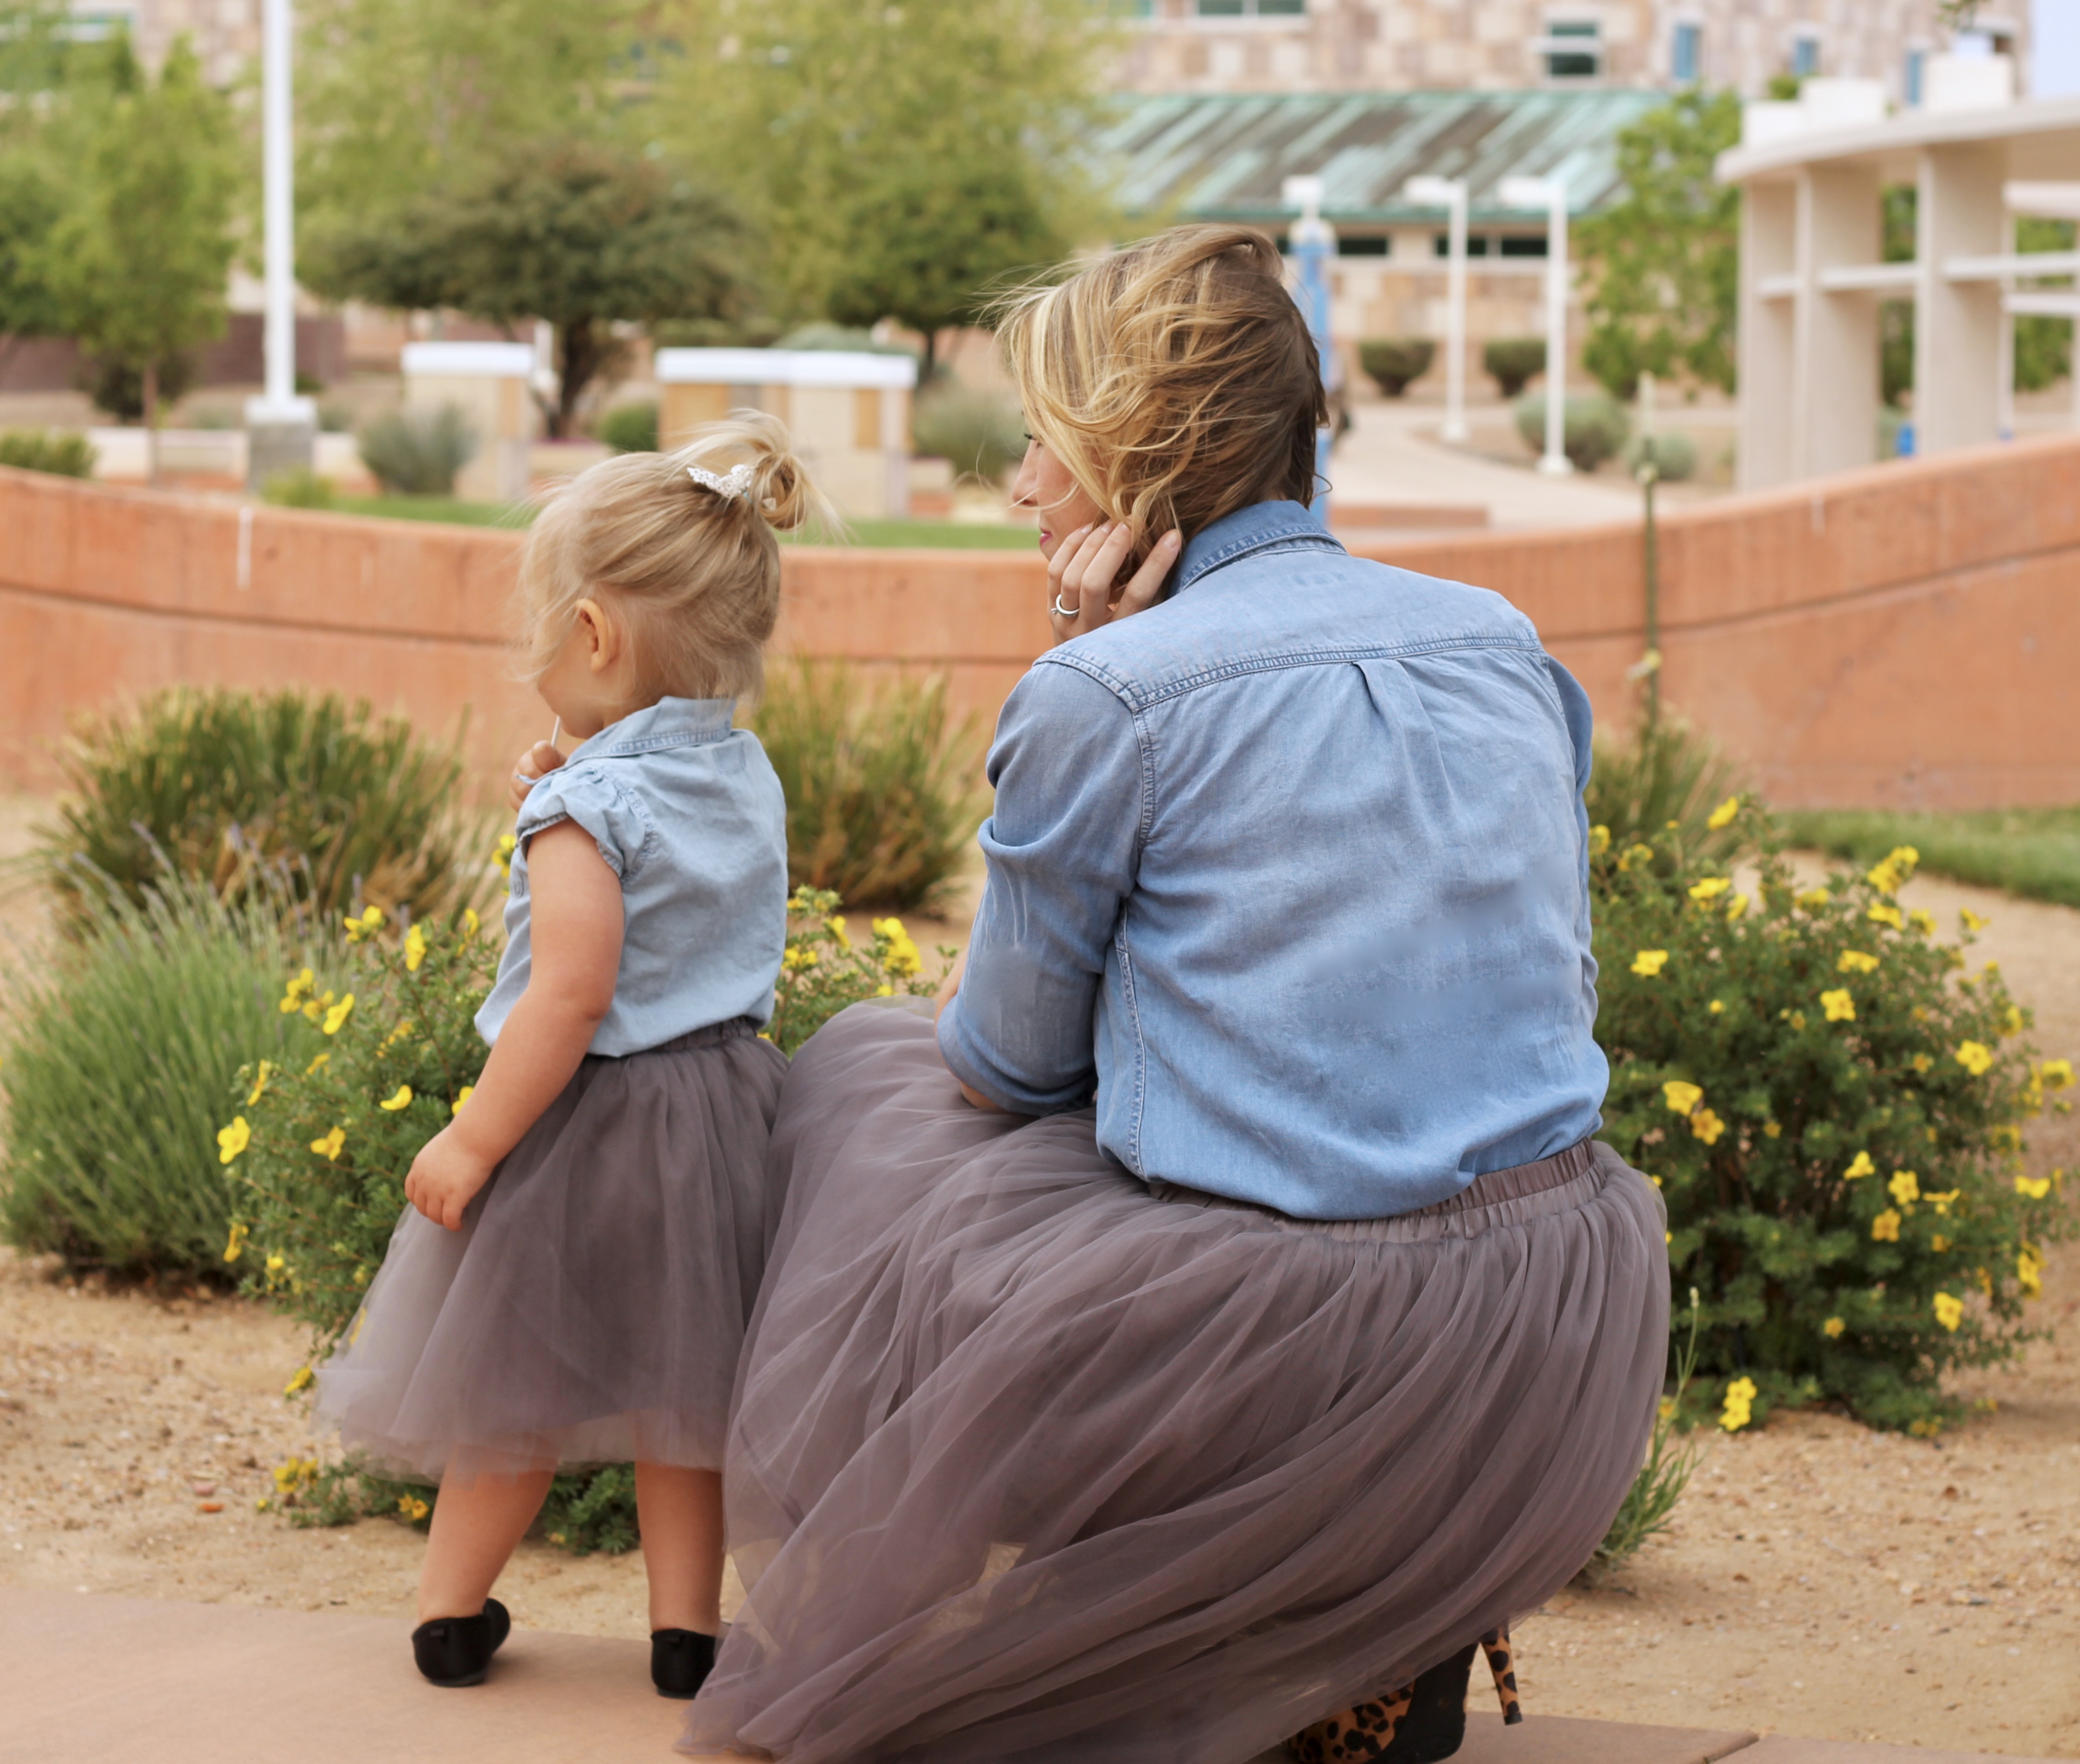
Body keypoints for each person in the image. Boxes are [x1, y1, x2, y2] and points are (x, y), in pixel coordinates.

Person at [684, 228, 1669, 1764]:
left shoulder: (1106, 691)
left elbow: (1002, 1064)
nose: (1017, 485)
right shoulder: (1500, 640)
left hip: (1292, 1315)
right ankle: (1349, 1628)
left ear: (1128, 457)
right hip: (1554, 1299)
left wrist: (1093, 661)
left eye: (1037, 442)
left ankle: (1031, 1625)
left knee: (863, 1081)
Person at [315, 416, 821, 1698]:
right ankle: (683, 1636)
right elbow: (679, 880)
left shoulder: (578, 811)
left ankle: (450, 1610)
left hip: (583, 1123)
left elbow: (569, 992)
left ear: (591, 636)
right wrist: (581, 772)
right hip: (718, 1114)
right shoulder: (741, 771)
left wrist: (475, 1135)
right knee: (685, 1400)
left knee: (515, 1386)